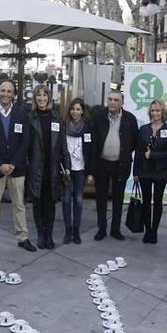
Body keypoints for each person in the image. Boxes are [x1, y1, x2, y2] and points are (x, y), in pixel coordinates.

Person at [0, 80, 36, 253]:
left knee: (19, 205)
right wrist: (0, 164)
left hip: (17, 168)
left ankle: (22, 238)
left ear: (14, 94)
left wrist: (13, 163)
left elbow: (25, 141)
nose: (5, 94)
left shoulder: (22, 113)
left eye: (9, 91)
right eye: (3, 90)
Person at [91, 90, 138, 241]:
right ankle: (102, 228)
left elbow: (134, 142)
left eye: (116, 100)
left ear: (122, 102)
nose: (112, 102)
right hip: (101, 164)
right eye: (110, 99)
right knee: (101, 198)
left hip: (120, 165)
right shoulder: (98, 117)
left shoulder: (130, 119)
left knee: (118, 198)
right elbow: (92, 142)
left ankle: (115, 229)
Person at [27, 84, 69, 249]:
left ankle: (49, 235)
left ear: (49, 98)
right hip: (36, 168)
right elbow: (25, 145)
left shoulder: (56, 118)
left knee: (50, 203)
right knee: (37, 202)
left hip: (52, 168)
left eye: (45, 95)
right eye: (39, 95)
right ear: (35, 98)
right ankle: (41, 234)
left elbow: (63, 145)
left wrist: (67, 166)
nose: (42, 98)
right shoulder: (29, 117)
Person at [133, 99, 167, 244]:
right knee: (146, 201)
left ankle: (154, 231)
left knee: (158, 201)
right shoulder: (143, 129)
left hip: (161, 172)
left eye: (158, 110)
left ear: (163, 112)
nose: (155, 113)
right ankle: (147, 230)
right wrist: (135, 172)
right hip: (144, 171)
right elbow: (139, 152)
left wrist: (153, 155)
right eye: (152, 110)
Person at [62, 98, 94, 244]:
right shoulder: (64, 126)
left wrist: (90, 172)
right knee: (66, 200)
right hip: (66, 170)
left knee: (79, 200)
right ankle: (68, 231)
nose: (75, 112)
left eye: (78, 109)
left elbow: (91, 150)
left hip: (80, 169)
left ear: (82, 111)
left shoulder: (88, 127)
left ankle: (76, 231)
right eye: (73, 109)